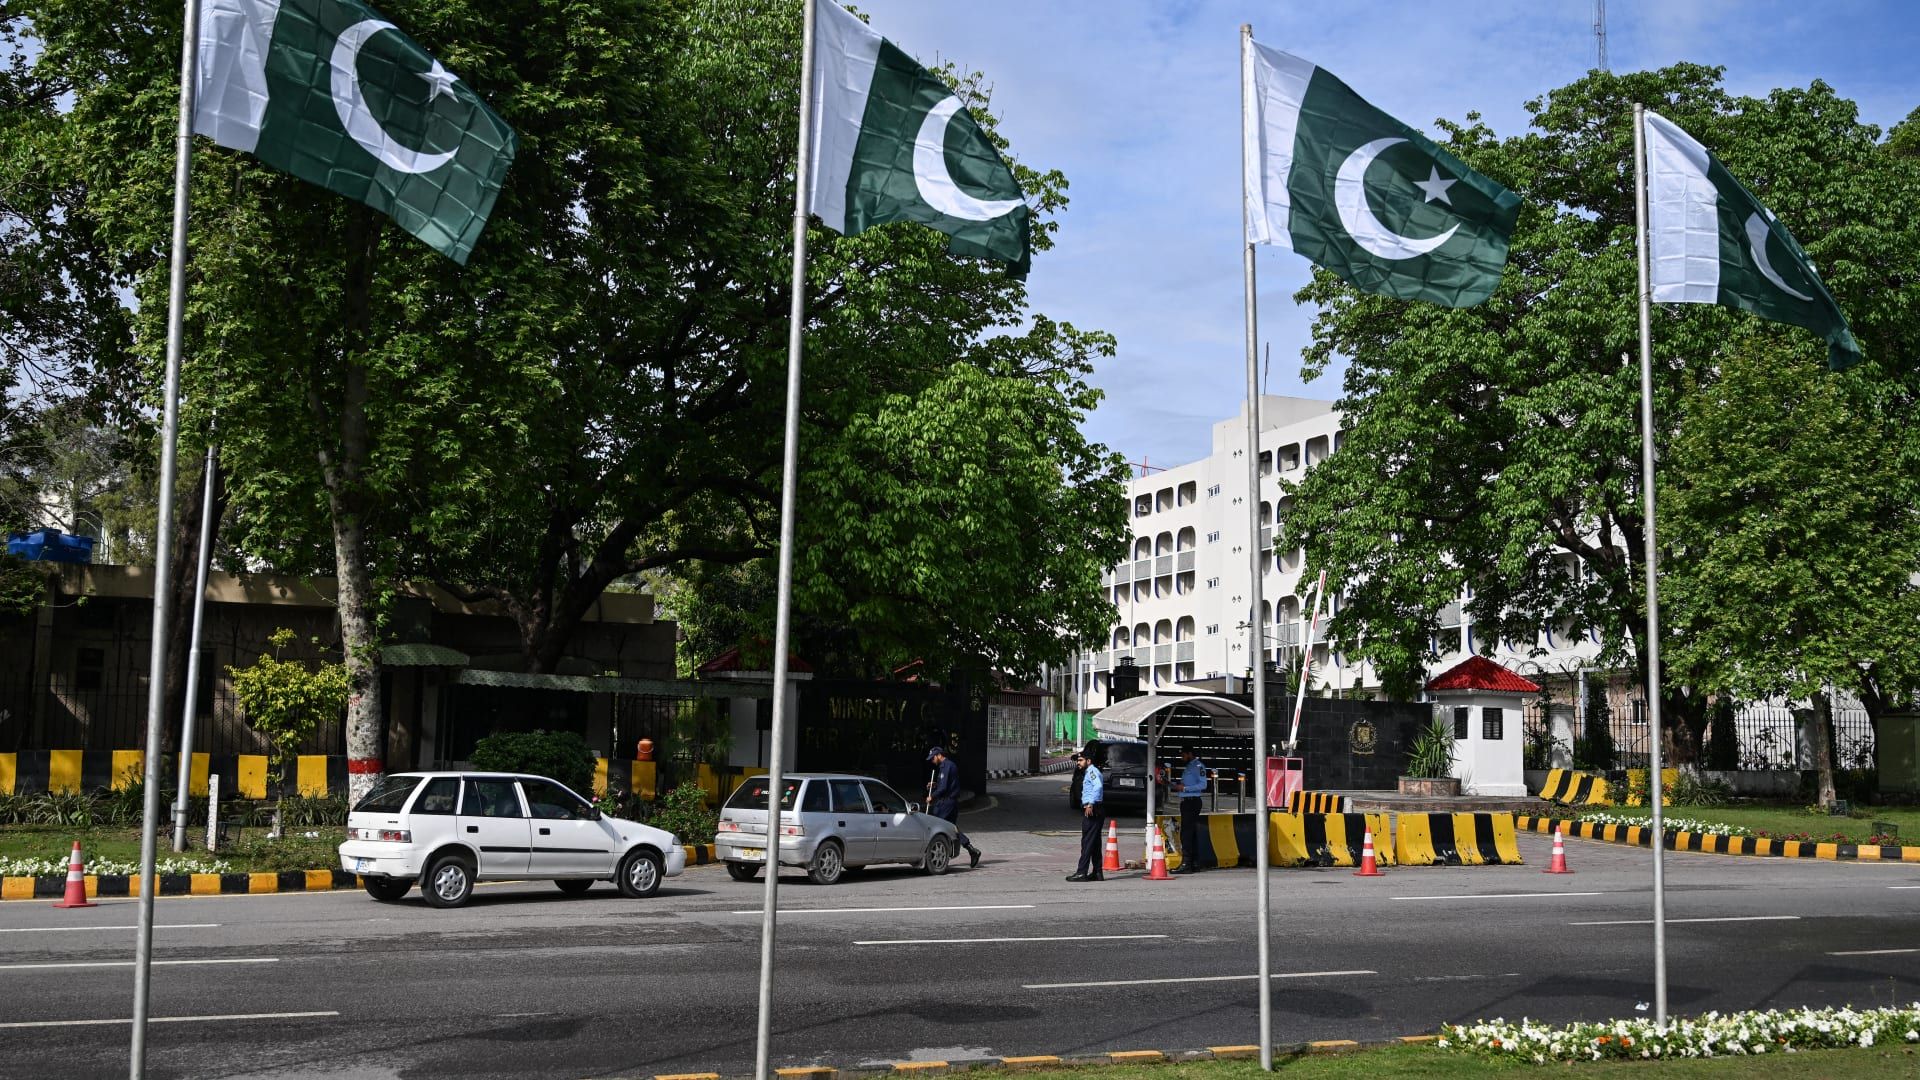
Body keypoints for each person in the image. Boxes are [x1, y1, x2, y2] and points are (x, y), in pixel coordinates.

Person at [925, 746, 981, 869]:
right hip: (951, 802)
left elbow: (944, 788)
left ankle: (934, 855)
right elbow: (946, 784)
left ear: (939, 755)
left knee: (936, 826)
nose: (932, 761)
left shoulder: (946, 767)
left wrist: (932, 796)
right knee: (952, 829)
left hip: (946, 803)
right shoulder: (948, 765)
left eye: (933, 758)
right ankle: (971, 850)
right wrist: (935, 785)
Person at [1067, 749, 1105, 882]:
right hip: (1096, 809)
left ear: (1088, 761)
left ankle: (1081, 872)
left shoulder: (1092, 771)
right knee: (1095, 843)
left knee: (1087, 842)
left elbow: (1098, 786)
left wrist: (1090, 803)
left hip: (1093, 809)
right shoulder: (1089, 772)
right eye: (1078, 760)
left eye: (1081, 760)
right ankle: (1097, 872)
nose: (1078, 763)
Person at [1170, 745, 1209, 873]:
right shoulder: (1189, 766)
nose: (1181, 757)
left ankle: (1186, 863)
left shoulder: (1198, 766)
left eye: (1183, 754)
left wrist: (1185, 789)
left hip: (1191, 802)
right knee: (1191, 833)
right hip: (1187, 801)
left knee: (1186, 834)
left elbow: (1203, 784)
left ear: (1190, 754)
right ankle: (1194, 863)